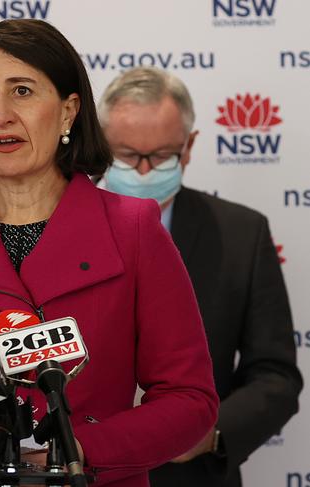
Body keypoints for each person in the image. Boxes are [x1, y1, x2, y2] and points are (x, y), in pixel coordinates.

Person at [0, 20, 218, 486]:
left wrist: (78, 448)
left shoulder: (133, 228)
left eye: (22, 91)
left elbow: (189, 399)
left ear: (68, 111)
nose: (1, 115)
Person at [98, 66, 302, 487]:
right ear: (100, 146)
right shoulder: (54, 226)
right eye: (126, 155)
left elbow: (275, 376)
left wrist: (209, 434)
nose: (142, 171)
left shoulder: (242, 235)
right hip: (85, 470)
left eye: (160, 157)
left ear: (188, 148)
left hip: (191, 476)